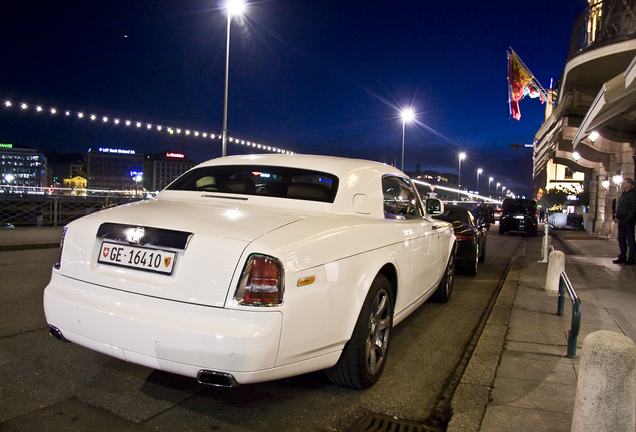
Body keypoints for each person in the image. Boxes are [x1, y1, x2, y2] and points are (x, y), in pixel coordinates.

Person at [613, 178, 636, 265]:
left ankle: (631, 258)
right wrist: (617, 216)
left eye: (624, 183)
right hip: (622, 220)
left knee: (630, 239)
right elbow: (620, 206)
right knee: (621, 239)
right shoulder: (624, 194)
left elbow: (634, 208)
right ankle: (622, 256)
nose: (622, 185)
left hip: (628, 221)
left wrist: (628, 218)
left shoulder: (632, 195)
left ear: (630, 184)